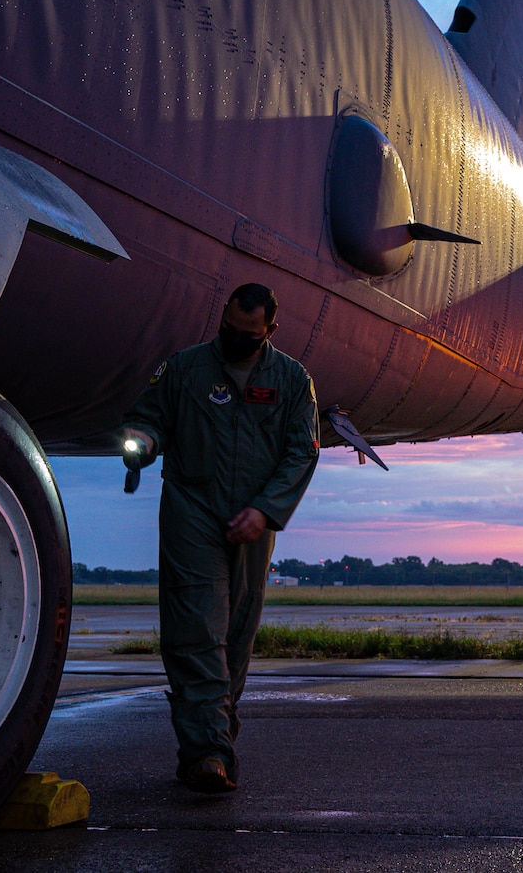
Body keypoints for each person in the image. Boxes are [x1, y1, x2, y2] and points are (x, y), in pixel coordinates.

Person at [119, 283, 318, 794]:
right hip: (193, 510)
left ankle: (210, 746)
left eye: (247, 335)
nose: (235, 338)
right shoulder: (184, 369)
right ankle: (209, 751)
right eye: (229, 328)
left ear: (270, 331)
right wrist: (142, 442)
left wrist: (267, 511)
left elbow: (302, 452)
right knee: (196, 630)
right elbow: (148, 418)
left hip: (254, 521)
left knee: (236, 637)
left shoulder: (293, 380)